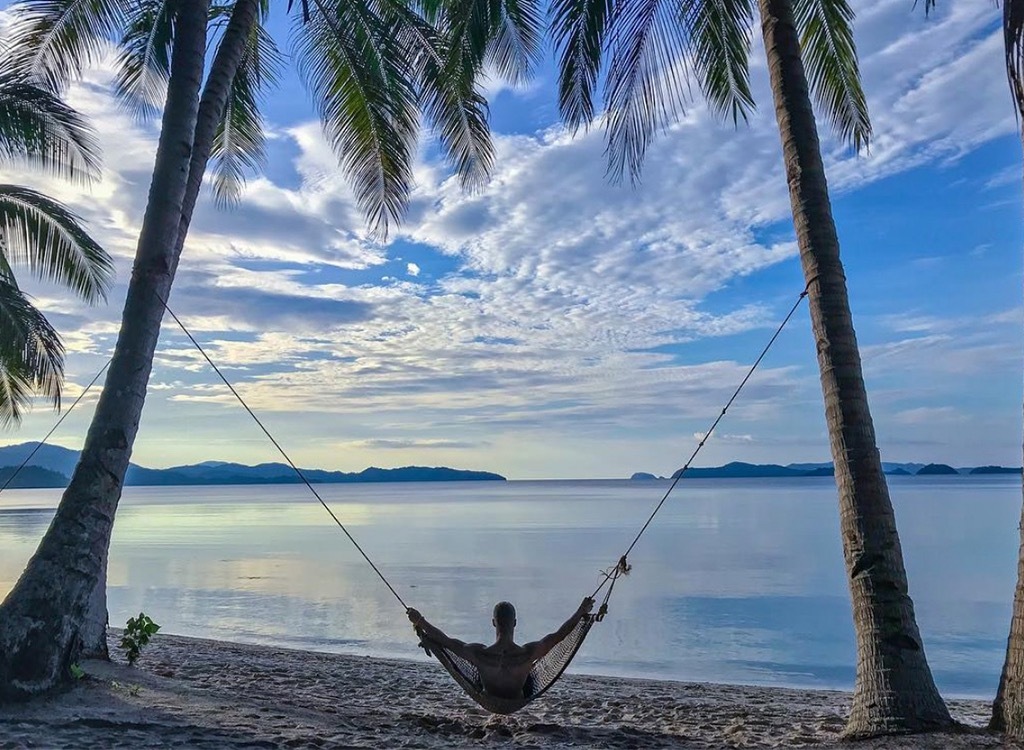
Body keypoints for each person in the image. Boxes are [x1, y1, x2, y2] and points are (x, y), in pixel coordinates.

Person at [407, 597, 594, 700]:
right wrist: (580, 611)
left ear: (493, 623)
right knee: (532, 671)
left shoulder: (478, 653)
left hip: (488, 695)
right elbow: (560, 636)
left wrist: (420, 621)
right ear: (515, 623)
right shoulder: (528, 653)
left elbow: (446, 642)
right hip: (517, 696)